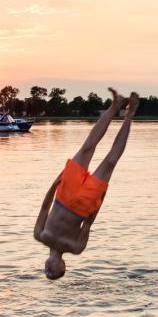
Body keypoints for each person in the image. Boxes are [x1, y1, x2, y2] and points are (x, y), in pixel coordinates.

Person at [34, 89, 139, 280]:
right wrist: (100, 198)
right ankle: (129, 116)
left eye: (46, 271)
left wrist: (55, 183)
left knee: (88, 146)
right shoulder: (76, 248)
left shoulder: (40, 235)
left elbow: (44, 206)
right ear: (63, 266)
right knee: (110, 161)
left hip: (64, 195)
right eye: (54, 272)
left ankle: (115, 105)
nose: (48, 270)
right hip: (84, 205)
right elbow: (89, 223)